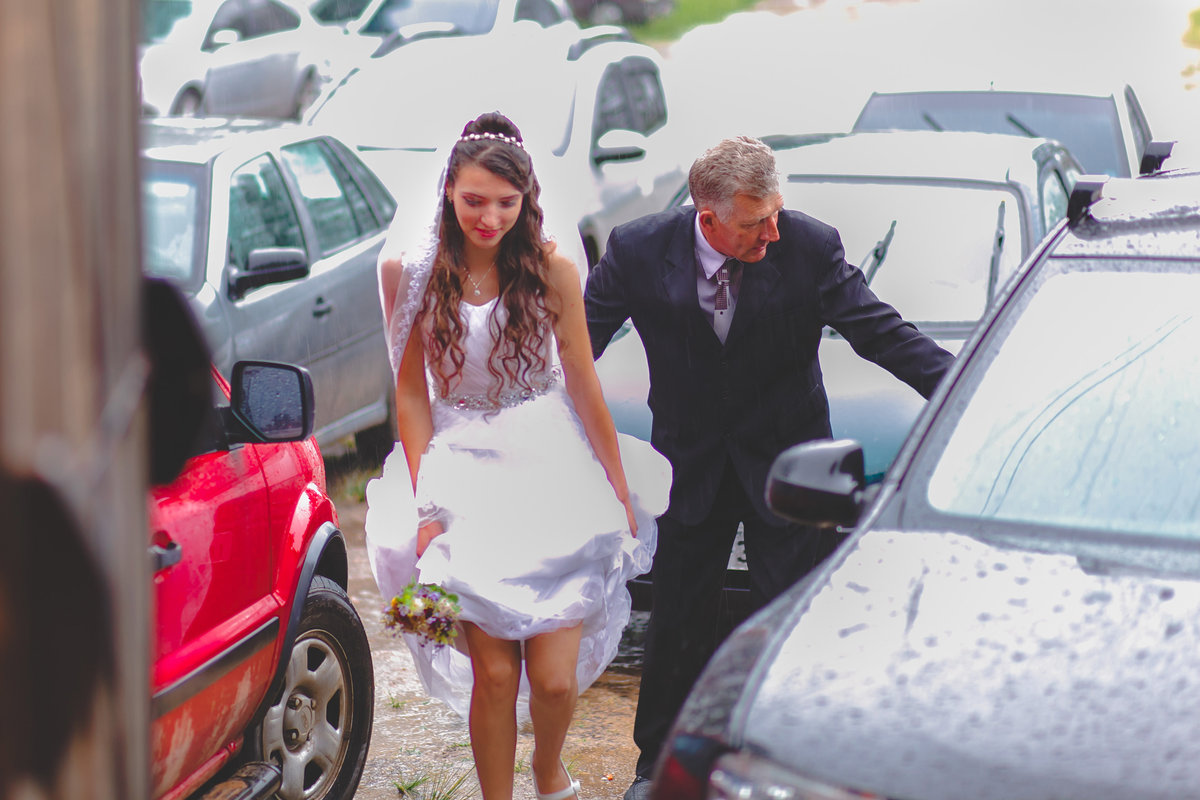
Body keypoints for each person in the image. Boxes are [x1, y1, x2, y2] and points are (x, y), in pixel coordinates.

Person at [584, 135, 956, 799]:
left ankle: (790, 755)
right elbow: (575, 346)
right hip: (688, 464)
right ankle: (656, 766)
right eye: (757, 221)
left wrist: (969, 387)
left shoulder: (809, 246)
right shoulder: (637, 250)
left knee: (791, 616)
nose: (773, 230)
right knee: (677, 622)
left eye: (776, 212)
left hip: (791, 465)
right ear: (709, 219)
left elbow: (879, 332)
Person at [364, 112, 670, 800]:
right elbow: (410, 395)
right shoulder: (406, 273)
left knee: (555, 678)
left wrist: (616, 484)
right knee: (495, 674)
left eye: (506, 203)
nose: (490, 217)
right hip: (458, 464)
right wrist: (427, 500)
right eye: (474, 201)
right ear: (448, 191)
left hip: (546, 458)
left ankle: (547, 768)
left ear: (526, 201)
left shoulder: (554, 268)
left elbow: (583, 380)